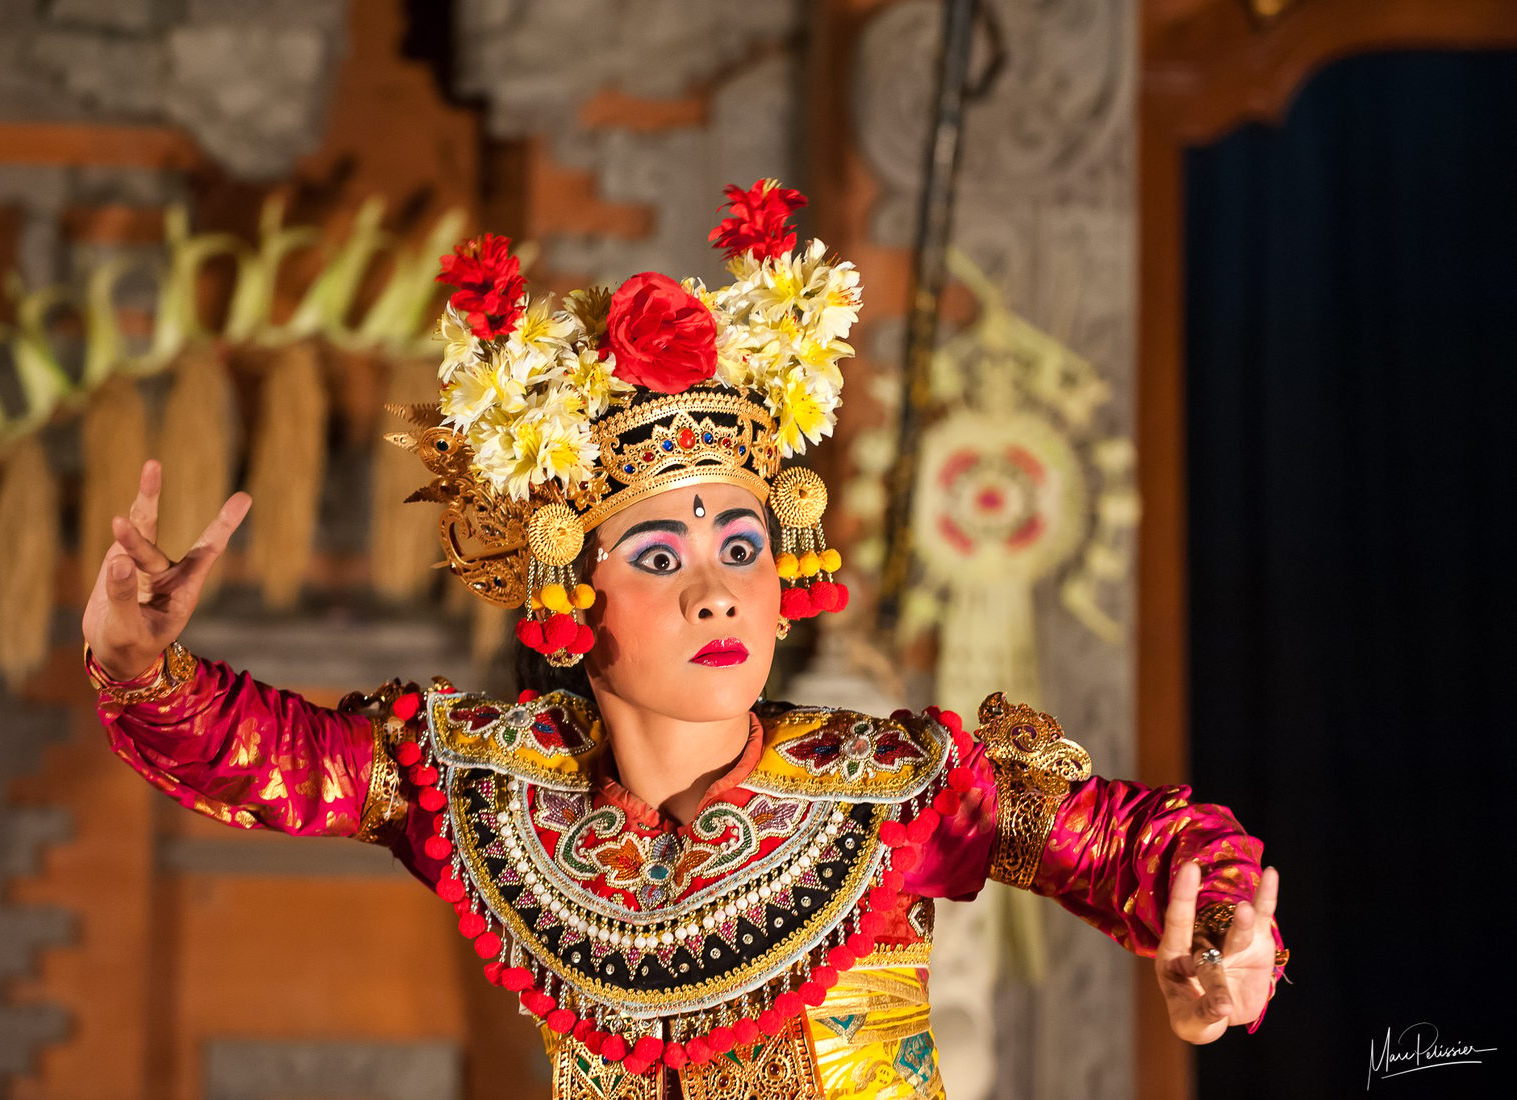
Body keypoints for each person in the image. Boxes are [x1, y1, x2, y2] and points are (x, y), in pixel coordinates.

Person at [82, 181, 1285, 1099]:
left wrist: (1227, 938)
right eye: (659, 557)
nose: (716, 592)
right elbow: (285, 762)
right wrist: (141, 666)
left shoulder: (894, 791)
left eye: (743, 550)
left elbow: (1139, 841)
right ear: (570, 589)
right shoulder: (493, 791)